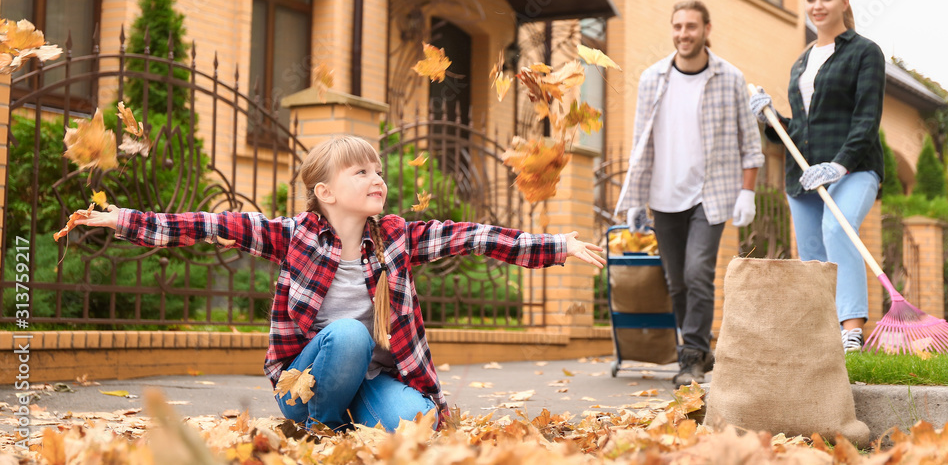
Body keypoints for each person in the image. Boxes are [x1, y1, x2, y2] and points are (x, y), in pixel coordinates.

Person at [78, 134, 605, 431]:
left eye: (377, 171)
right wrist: (125, 219)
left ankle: (349, 419)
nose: (377, 179)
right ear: (325, 192)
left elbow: (475, 237)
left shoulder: (397, 238)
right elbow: (210, 225)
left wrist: (556, 246)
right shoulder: (293, 235)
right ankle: (321, 428)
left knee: (421, 424)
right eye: (361, 173)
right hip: (302, 386)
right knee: (350, 335)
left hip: (371, 381)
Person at [616, 0, 764, 388]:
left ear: (707, 29)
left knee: (699, 272)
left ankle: (692, 356)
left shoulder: (730, 78)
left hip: (710, 194)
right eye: (678, 26)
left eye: (691, 27)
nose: (684, 34)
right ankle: (699, 348)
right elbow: (640, 143)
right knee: (677, 280)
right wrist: (635, 200)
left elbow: (750, 144)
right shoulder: (652, 79)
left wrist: (746, 193)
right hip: (664, 195)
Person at [749, 0, 885, 353]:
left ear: (844, 1)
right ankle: (825, 336)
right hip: (804, 175)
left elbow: (866, 119)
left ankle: (852, 331)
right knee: (812, 257)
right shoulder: (802, 62)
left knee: (838, 230)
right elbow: (801, 130)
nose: (817, 6)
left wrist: (839, 166)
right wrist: (770, 119)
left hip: (854, 168)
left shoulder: (864, 52)